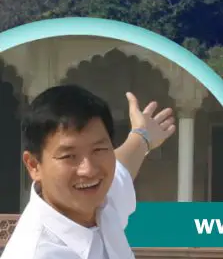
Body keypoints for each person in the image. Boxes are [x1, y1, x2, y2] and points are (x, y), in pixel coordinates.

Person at [2, 84, 177, 258]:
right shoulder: (35, 253)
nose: (89, 170)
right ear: (33, 165)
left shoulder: (102, 201)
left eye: (98, 150)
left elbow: (123, 166)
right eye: (69, 156)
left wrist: (142, 135)